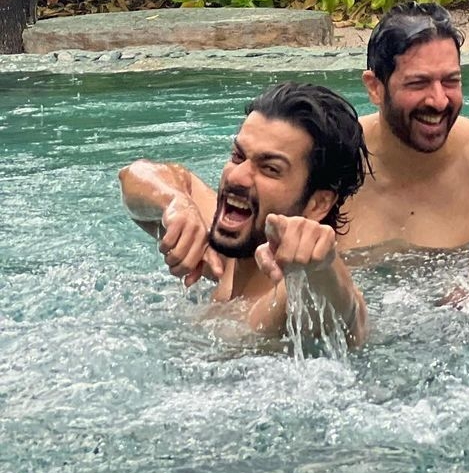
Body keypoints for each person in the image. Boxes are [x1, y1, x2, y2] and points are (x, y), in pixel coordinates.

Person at [119, 82, 370, 345]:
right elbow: (134, 175)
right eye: (238, 156)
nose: (236, 176)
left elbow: (347, 312)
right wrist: (175, 202)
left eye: (270, 169)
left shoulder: (292, 295)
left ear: (318, 204)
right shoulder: (222, 254)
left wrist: (321, 265)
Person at [345, 2, 469, 250]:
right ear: (374, 87)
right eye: (418, 83)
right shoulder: (332, 166)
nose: (439, 101)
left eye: (450, 81)